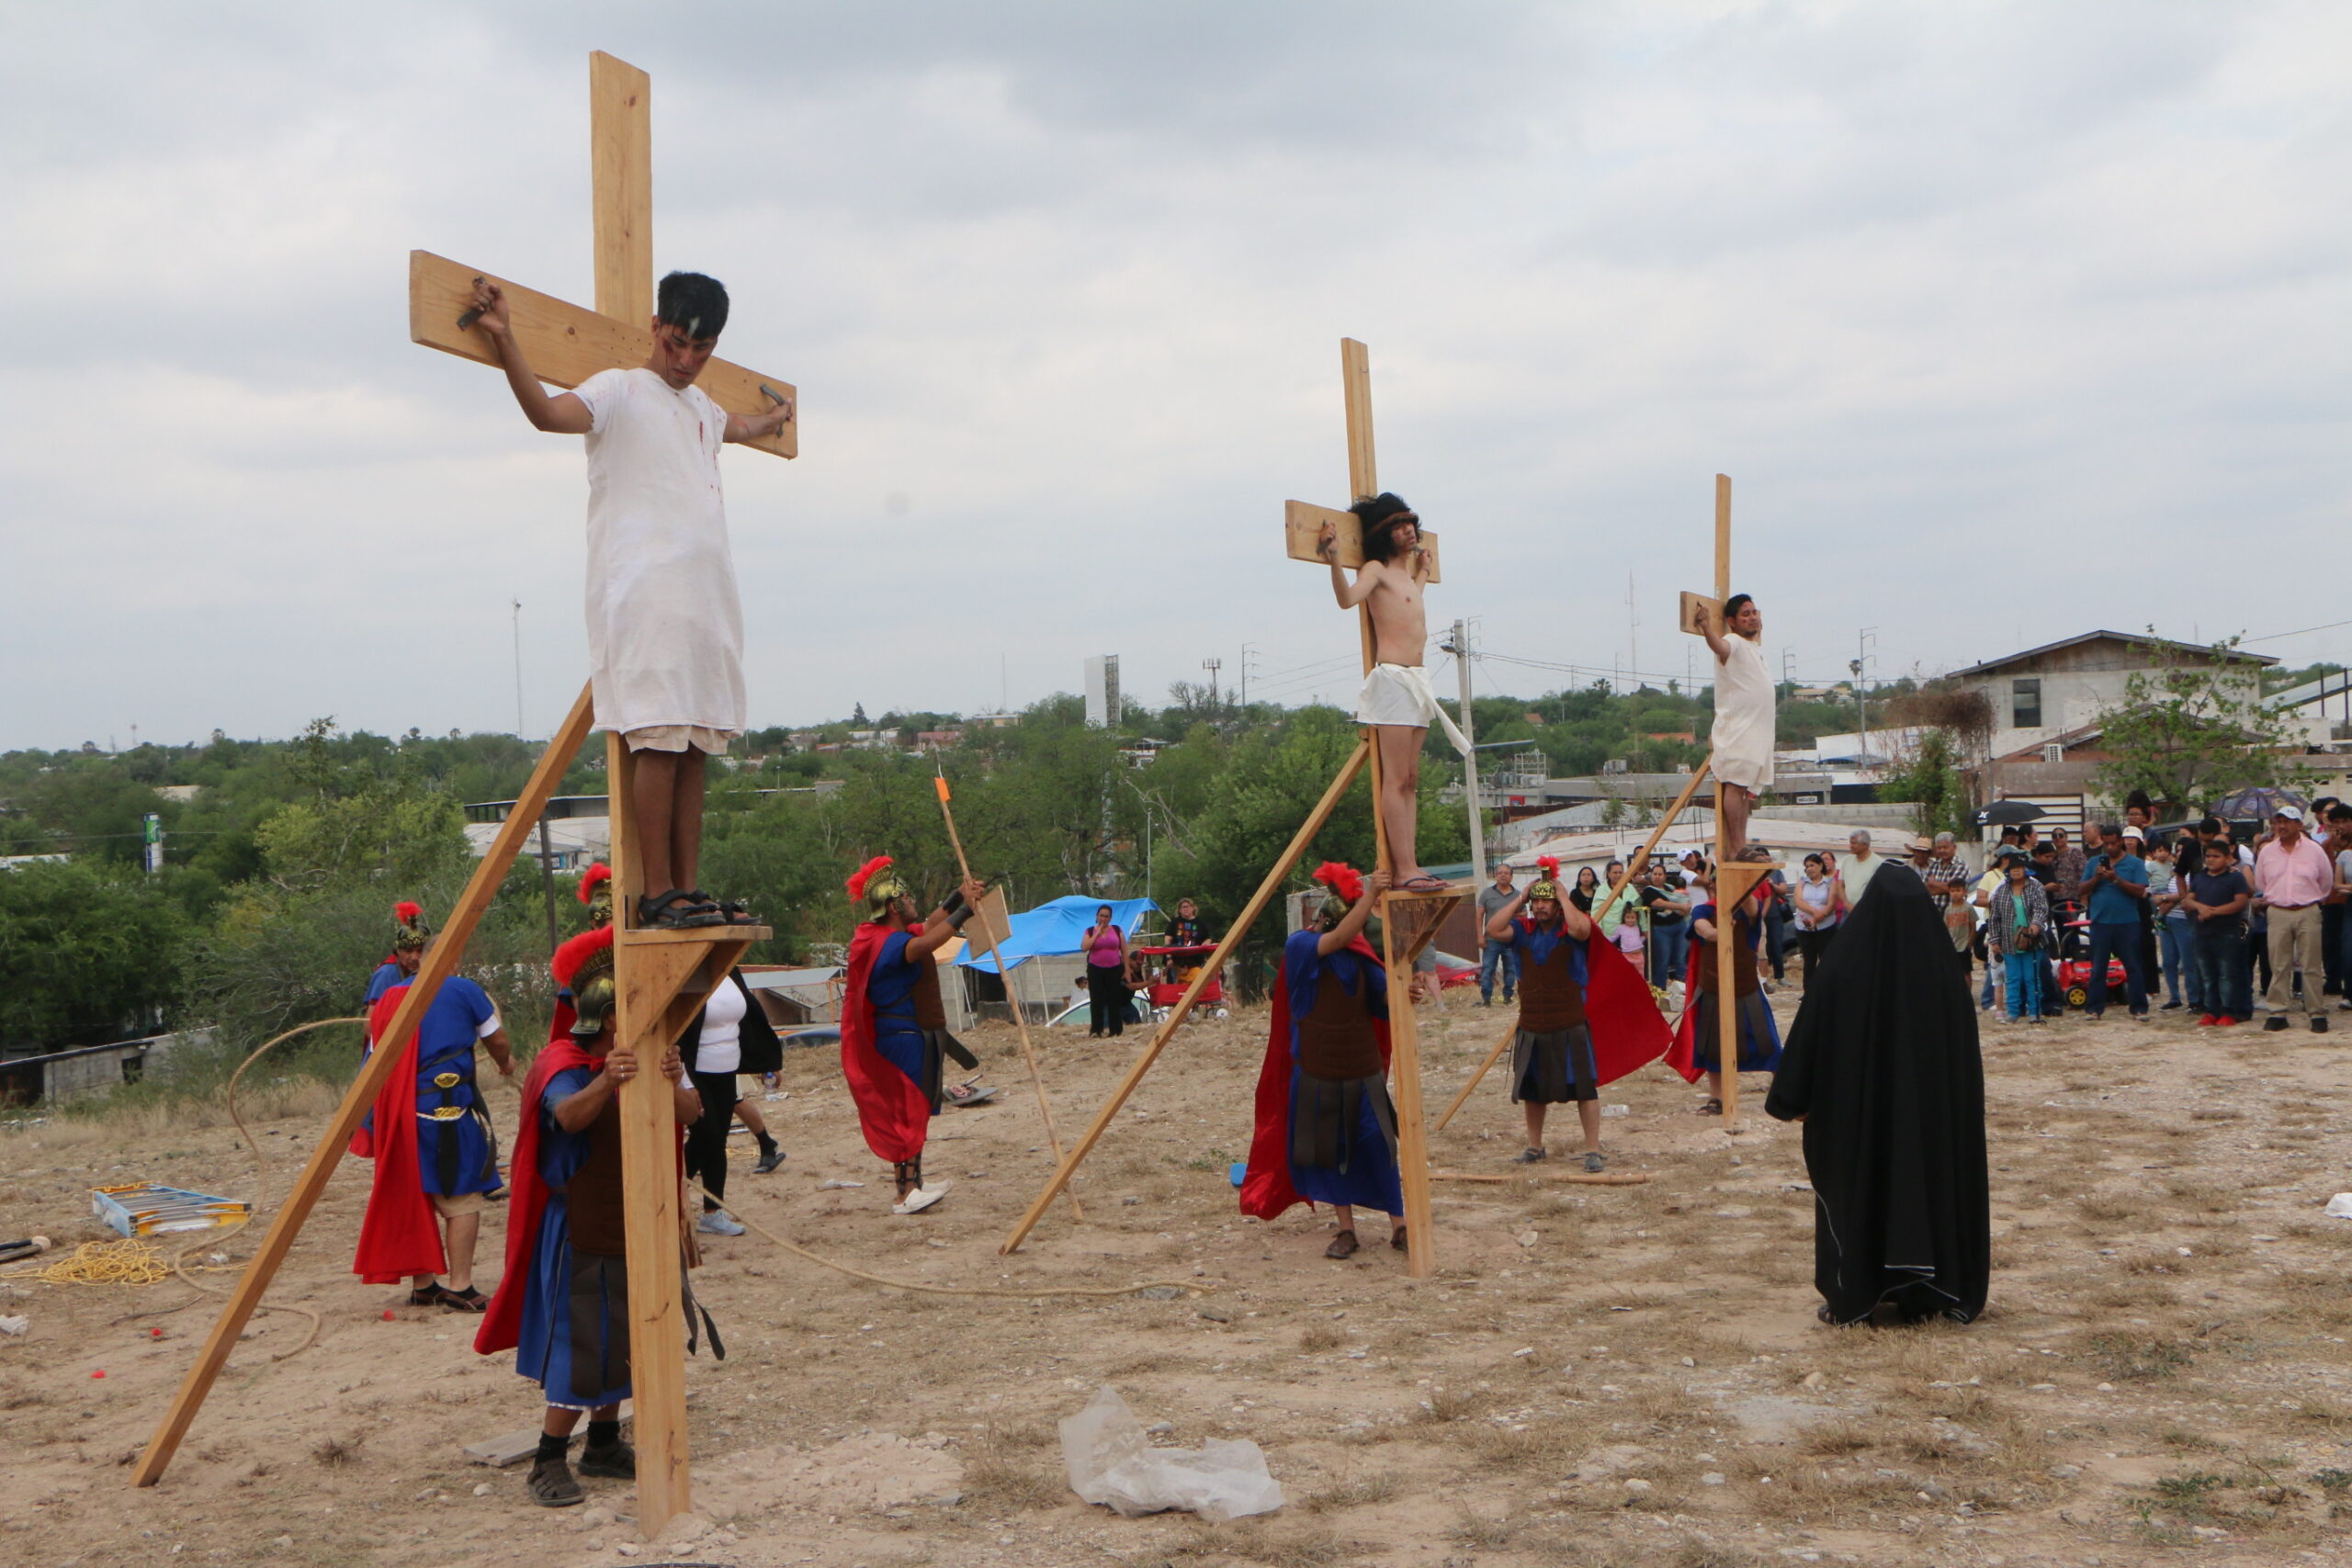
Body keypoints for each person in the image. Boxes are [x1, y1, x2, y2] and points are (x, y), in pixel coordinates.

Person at [467, 272, 790, 932]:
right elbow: (546, 413)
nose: (686, 360)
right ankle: (659, 890)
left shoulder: (701, 408)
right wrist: (506, 342)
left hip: (708, 598)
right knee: (660, 735)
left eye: (701, 350)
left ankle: (689, 887)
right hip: (645, 593)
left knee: (699, 736)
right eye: (676, 343)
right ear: (655, 326)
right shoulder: (619, 390)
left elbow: (742, 425)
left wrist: (777, 418)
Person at [474, 926, 707, 1508]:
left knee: (627, 1338)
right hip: (578, 1227)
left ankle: (602, 1444)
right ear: (609, 1018)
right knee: (582, 1346)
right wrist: (607, 1079)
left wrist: (671, 1075)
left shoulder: (652, 1052)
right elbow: (569, 1117)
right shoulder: (563, 1061)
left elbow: (690, 1113)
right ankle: (548, 1458)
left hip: (635, 1221)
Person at [1765, 862, 1989, 1326]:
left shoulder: (1841, 971)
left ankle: (1859, 1291)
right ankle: (1926, 1292)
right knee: (1928, 1186)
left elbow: (1809, 1033)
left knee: (1860, 1189)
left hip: (1856, 1116)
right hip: (1930, 1122)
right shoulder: (1946, 980)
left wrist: (1792, 1098)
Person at [1240, 863, 1405, 1259]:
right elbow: (1337, 940)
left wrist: (1405, 994)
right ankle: (1346, 1230)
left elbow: (1383, 999)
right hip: (1318, 1073)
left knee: (1379, 1148)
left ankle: (1400, 1225)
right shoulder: (1301, 947)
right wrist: (1371, 895)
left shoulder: (1364, 960)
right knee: (1333, 1154)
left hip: (1361, 1072)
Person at [350, 937, 515, 1311]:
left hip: (403, 1114)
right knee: (464, 1195)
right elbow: (498, 1039)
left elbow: (374, 1061)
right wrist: (506, 1064)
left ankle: (424, 1284)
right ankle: (461, 1286)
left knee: (417, 1191)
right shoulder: (463, 989)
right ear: (452, 960)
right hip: (448, 1111)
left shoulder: (390, 997)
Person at [1481, 858, 1670, 1170]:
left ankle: (1593, 1149)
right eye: (1537, 902)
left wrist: (1564, 896)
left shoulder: (1570, 930)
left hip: (1569, 1021)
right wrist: (1522, 896)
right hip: (1533, 1022)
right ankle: (1534, 1146)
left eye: (1547, 901)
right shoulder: (1523, 929)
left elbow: (1583, 930)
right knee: (1533, 1090)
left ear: (1557, 905)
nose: (1540, 907)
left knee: (1584, 1087)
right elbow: (1492, 928)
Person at [1320, 495, 1468, 893]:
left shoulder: (1406, 577)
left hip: (1417, 681)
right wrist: (1334, 558)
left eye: (1410, 524)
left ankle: (1413, 862)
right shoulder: (1376, 570)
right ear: (1383, 535)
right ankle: (1403, 868)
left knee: (1412, 780)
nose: (1408, 531)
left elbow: (1412, 597)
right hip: (1393, 679)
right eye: (1398, 526)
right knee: (1396, 777)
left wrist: (1424, 570)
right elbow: (1347, 599)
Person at [839, 857, 988, 1213]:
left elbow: (931, 925)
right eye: (907, 900)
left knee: (913, 1110)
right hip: (900, 1036)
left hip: (906, 1034)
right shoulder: (890, 943)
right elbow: (926, 944)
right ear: (893, 906)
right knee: (908, 1111)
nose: (913, 904)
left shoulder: (886, 936)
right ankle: (906, 1194)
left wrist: (958, 897)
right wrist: (965, 912)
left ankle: (914, 1183)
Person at [1668, 849, 1784, 1113]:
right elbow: (1701, 929)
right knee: (1712, 1047)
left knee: (1767, 1043)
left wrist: (1747, 880)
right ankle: (1717, 1098)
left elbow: (1752, 909)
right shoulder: (1703, 910)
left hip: (1745, 987)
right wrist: (1718, 933)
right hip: (1714, 987)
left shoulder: (1748, 907)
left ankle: (1783, 1092)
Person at [681, 965, 787, 1235]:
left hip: (726, 1069)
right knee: (706, 1136)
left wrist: (766, 1063)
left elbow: (750, 1019)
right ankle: (669, 1197)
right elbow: (676, 1031)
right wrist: (685, 1082)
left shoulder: (730, 970)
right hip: (696, 1070)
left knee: (717, 1140)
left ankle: (712, 1212)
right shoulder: (688, 973)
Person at [1702, 592, 1773, 855]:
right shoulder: (1734, 641)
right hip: (1739, 728)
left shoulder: (1753, 648)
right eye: (1746, 614)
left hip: (1757, 730)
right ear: (1732, 621)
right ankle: (1736, 846)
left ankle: (1741, 844)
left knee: (1745, 790)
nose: (1752, 618)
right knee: (1736, 784)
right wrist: (1706, 626)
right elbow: (1720, 647)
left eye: (1755, 612)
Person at [2254, 806, 2333, 1034]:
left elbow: (2325, 881)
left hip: (2308, 910)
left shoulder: (2314, 850)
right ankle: (2278, 1012)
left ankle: (2316, 1012)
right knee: (2279, 964)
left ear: (2299, 824)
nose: (2281, 826)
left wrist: (2309, 900)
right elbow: (2261, 883)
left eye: (2287, 822)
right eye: (2278, 822)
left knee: (2311, 965)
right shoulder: (2267, 852)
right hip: (2277, 911)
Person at [2078, 822, 2149, 1021]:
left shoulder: (2135, 864)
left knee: (2133, 966)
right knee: (2098, 967)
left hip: (2128, 922)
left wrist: (2116, 879)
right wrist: (2097, 878)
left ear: (2121, 842)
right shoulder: (2094, 863)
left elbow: (2140, 891)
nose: (2109, 848)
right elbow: (2081, 889)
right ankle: (2094, 1009)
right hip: (2100, 922)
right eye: (2106, 844)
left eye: (2113, 844)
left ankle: (2139, 1008)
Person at [2180, 838, 2253, 1025]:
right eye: (2208, 856)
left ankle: (2229, 1011)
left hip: (2227, 933)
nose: (2211, 860)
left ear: (2228, 858)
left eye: (2216, 856)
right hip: (2203, 933)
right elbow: (2187, 901)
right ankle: (2212, 1010)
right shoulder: (2200, 877)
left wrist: (2212, 912)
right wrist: (2201, 907)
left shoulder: (2235, 877)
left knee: (2227, 974)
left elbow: (2240, 902)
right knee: (2207, 974)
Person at [1984, 850, 2050, 1023]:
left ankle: (2034, 1012)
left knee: (2031, 978)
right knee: (2012, 979)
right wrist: (1995, 941)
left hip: (2032, 941)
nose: (2016, 871)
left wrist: (2035, 926)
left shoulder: (2036, 886)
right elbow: (1994, 918)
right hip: (2008, 941)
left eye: (2020, 867)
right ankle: (2012, 1013)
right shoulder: (2001, 890)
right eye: (2013, 868)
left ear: (2025, 869)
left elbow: (2041, 909)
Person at [2146, 840, 2194, 1012]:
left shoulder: (2192, 872)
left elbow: (2186, 892)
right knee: (2168, 961)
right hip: (2168, 919)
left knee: (2188, 962)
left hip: (2183, 919)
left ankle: (2194, 999)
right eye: (2178, 850)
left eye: (2183, 850)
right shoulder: (2173, 871)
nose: (2179, 854)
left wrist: (2166, 900)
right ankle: (2175, 996)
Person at [1922, 832, 1973, 978]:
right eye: (1939, 848)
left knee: (1958, 960)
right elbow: (1925, 888)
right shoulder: (1934, 866)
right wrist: (1941, 887)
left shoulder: (1961, 866)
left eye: (1945, 847)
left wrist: (1934, 885)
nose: (1942, 850)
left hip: (1955, 918)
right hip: (1934, 916)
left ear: (1954, 847)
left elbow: (1956, 888)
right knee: (1937, 956)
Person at [364, 901, 429, 1010]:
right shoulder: (385, 975)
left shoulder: (429, 972)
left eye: (420, 951)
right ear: (398, 950)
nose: (414, 957)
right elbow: (371, 1021)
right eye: (408, 951)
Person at [1792, 852, 1841, 989]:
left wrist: (1818, 917)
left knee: (1826, 960)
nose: (1809, 869)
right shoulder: (1802, 881)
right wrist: (1814, 913)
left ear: (1820, 866)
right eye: (1807, 866)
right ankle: (1808, 991)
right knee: (1809, 960)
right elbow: (1799, 901)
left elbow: (1832, 903)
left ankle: (1825, 989)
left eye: (1812, 865)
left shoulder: (1831, 882)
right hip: (1804, 927)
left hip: (1826, 926)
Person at [1081, 905, 1131, 1038]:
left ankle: (1115, 1030)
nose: (1103, 918)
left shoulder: (1116, 930)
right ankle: (1096, 1030)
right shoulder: (1090, 931)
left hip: (1114, 968)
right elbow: (1085, 947)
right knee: (1096, 999)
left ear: (1110, 918)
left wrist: (1127, 971)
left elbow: (1124, 951)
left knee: (1114, 999)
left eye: (1106, 916)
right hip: (1095, 968)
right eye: (1101, 915)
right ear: (1097, 916)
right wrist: (1097, 933)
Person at [1474, 865, 1521, 1007]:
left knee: (1511, 969)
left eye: (1506, 873)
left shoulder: (1518, 895)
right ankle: (1486, 998)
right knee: (1488, 968)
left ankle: (1508, 996)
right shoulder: (1487, 894)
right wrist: (1480, 936)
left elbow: (1524, 914)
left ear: (1511, 876)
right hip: (1491, 939)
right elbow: (1479, 915)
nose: (1503, 875)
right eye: (1500, 873)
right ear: (1495, 876)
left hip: (1510, 939)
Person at [1643, 863, 1692, 993]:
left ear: (1665, 876)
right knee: (1662, 961)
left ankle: (1683, 989)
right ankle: (1661, 991)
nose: (1657, 877)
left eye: (1660, 874)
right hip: (1661, 930)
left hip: (1679, 926)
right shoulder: (1648, 891)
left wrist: (1684, 907)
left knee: (1680, 959)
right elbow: (1657, 903)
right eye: (1655, 874)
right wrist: (1679, 907)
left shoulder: (1672, 889)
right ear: (1651, 876)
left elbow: (1685, 900)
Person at [1839, 830, 1886, 912]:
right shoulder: (1846, 860)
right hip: (1847, 911)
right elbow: (1840, 885)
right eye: (1850, 843)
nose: (1850, 846)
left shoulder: (1879, 863)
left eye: (1854, 843)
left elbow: (1881, 892)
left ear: (1865, 845)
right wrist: (1847, 904)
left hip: (1868, 912)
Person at [2048, 828, 2086, 909]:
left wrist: (2083, 896)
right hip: (2055, 898)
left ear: (2066, 838)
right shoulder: (2051, 856)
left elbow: (2083, 874)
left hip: (2072, 897)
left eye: (2061, 835)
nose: (2058, 838)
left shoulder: (2075, 852)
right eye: (2055, 836)